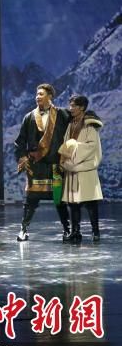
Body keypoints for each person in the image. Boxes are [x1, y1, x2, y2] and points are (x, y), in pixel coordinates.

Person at [14, 83, 71, 242]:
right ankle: (23, 229)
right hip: (36, 166)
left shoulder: (62, 115)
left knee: (59, 199)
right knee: (31, 199)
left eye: (41, 94)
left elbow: (72, 135)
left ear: (50, 96)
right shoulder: (29, 117)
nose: (37, 97)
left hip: (57, 165)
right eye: (37, 94)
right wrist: (23, 157)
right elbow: (20, 141)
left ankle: (67, 230)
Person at [59, 95, 104, 243]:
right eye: (70, 105)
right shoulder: (71, 123)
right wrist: (66, 158)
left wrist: (73, 147)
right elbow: (66, 143)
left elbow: (91, 146)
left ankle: (95, 231)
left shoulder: (89, 124)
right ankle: (75, 232)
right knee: (73, 203)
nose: (70, 108)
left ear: (82, 107)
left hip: (85, 168)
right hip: (72, 169)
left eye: (73, 106)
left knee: (90, 203)